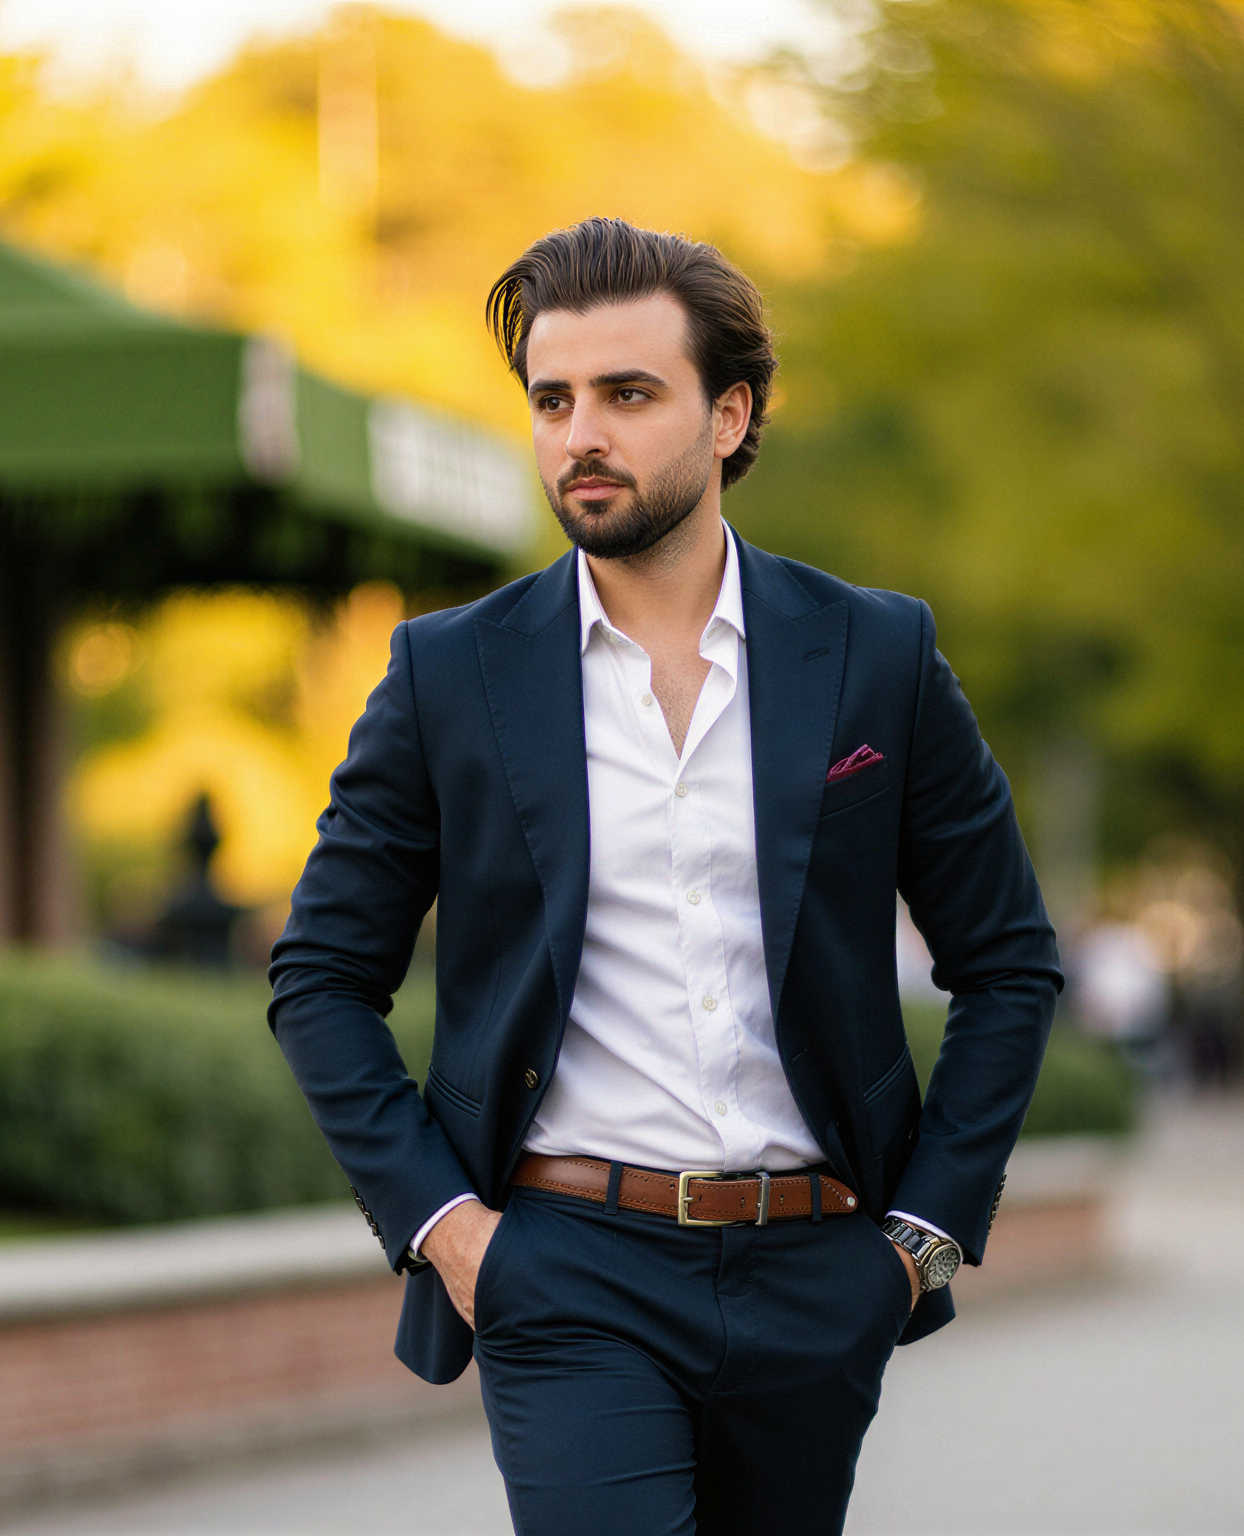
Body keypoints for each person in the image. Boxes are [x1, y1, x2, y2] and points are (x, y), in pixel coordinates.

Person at [268, 218, 1061, 1536]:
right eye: (553, 399)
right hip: (565, 1267)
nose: (582, 432)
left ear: (729, 413)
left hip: (819, 1267)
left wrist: (916, 1244)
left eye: (628, 395)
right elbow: (320, 980)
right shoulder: (449, 674)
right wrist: (452, 1232)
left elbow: (1009, 962)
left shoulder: (874, 657)